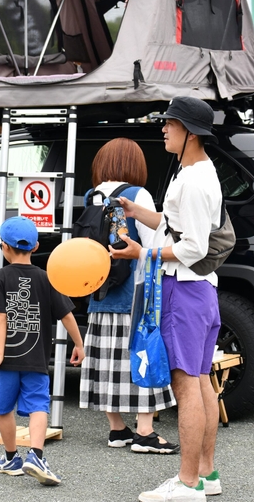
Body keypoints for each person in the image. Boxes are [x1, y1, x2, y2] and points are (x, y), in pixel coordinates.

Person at [111, 97, 224, 502]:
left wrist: (140, 254)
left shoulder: (192, 181)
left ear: (189, 132)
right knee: (200, 379)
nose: (163, 129)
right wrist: (137, 211)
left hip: (184, 287)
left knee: (186, 385)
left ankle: (188, 483)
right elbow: (174, 227)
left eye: (170, 124)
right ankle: (206, 476)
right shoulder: (198, 172)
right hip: (203, 289)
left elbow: (191, 247)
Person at [78, 138, 177, 454]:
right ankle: (145, 432)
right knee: (141, 356)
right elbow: (152, 245)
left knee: (107, 361)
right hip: (133, 293)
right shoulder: (137, 195)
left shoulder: (91, 196)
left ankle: (117, 429)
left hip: (98, 289)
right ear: (134, 164)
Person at [0, 216, 85, 486]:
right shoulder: (46, 278)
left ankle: (11, 458)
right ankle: (37, 455)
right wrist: (79, 344)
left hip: (6, 361)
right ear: (36, 246)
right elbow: (66, 315)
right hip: (37, 357)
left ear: (3, 246)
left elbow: (0, 317)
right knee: (39, 405)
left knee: (3, 409)